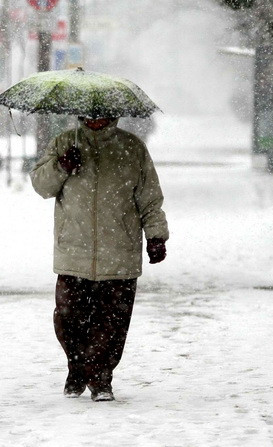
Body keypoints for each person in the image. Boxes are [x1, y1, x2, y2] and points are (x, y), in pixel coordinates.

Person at [31, 116, 169, 402]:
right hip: (74, 250)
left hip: (120, 252)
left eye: (101, 114)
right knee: (68, 317)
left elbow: (149, 197)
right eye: (89, 114)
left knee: (113, 323)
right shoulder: (65, 143)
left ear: (114, 115)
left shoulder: (132, 148)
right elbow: (41, 186)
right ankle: (78, 367)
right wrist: (62, 167)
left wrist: (156, 236)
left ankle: (101, 378)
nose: (95, 119)